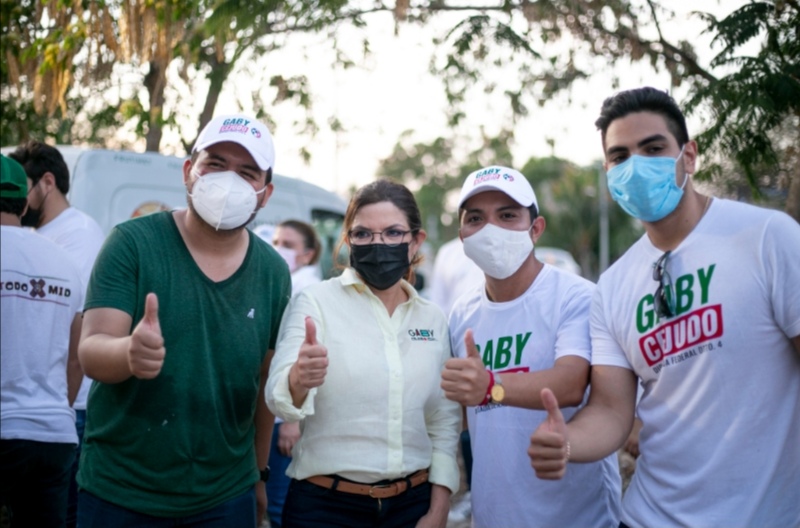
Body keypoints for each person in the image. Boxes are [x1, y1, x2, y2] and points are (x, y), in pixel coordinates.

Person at [528, 87, 800, 527]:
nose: (636, 166)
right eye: (620, 157)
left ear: (688, 156)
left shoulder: (768, 238)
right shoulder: (613, 286)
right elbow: (613, 411)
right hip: (649, 518)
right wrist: (567, 441)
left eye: (653, 149)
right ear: (608, 171)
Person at [76, 114, 292, 527]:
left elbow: (265, 380)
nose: (229, 181)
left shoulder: (272, 272)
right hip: (120, 493)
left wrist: (259, 475)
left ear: (265, 194)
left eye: (247, 172)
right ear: (189, 171)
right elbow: (91, 350)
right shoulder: (132, 242)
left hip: (224, 497)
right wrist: (127, 353)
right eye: (215, 164)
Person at [266, 179, 461, 528]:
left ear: (416, 241)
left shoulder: (431, 318)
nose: (378, 244)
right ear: (348, 239)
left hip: (412, 506)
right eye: (363, 234)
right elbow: (279, 400)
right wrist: (298, 378)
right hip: (324, 508)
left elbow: (443, 419)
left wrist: (440, 503)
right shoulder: (315, 302)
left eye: (392, 233)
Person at [440, 165, 621, 527]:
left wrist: (490, 387)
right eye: (476, 218)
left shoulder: (576, 296)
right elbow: (457, 412)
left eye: (507, 215)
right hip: (495, 515)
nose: (490, 229)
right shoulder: (462, 312)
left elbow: (571, 383)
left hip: (578, 517)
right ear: (462, 235)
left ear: (535, 229)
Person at [9, 140, 106, 528]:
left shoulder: (77, 235)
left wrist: (63, 404)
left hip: (70, 405)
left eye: (24, 186)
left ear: (46, 182)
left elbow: (75, 330)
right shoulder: (42, 236)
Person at [0, 154, 84, 528]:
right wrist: (53, 408)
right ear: (23, 201)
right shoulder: (64, 262)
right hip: (54, 435)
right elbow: (77, 359)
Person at [265, 219, 323, 528]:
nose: (278, 249)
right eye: (276, 242)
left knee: (279, 503)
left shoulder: (308, 290)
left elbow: (306, 353)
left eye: (288, 245)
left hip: (285, 419)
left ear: (308, 254)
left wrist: (291, 422)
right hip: (274, 411)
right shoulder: (286, 281)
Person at [427, 237, 483, 523]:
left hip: (502, 342)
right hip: (461, 343)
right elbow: (439, 302)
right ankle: (475, 492)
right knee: (465, 420)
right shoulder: (449, 252)